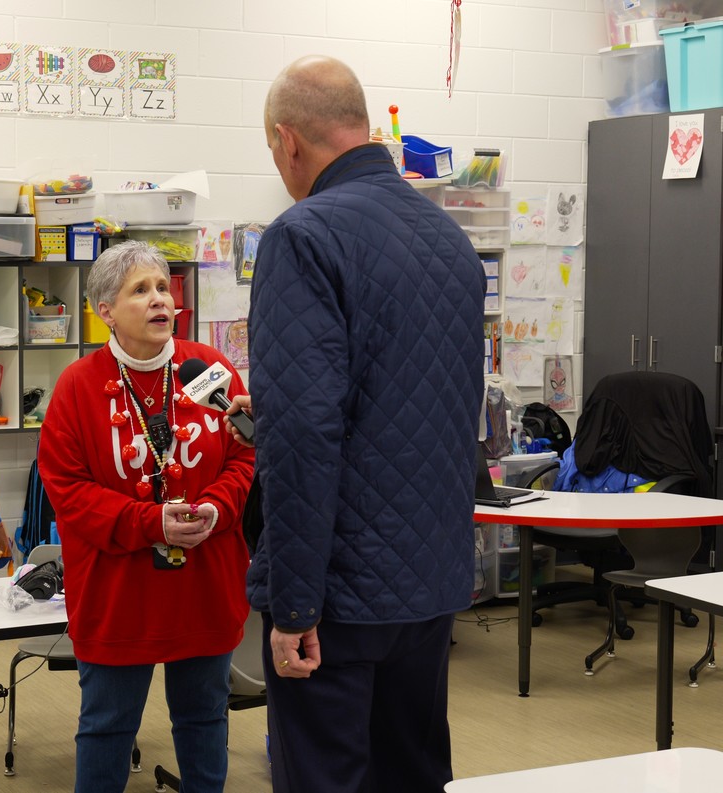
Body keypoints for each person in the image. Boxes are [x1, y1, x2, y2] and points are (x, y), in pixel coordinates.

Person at [237, 55, 486, 793]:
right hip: (432, 581)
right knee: (411, 774)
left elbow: (306, 435)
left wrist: (295, 604)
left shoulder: (302, 236)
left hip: (339, 592)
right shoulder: (450, 240)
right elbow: (422, 401)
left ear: (288, 141)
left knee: (325, 778)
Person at [37, 240, 255, 793]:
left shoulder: (210, 368)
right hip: (118, 591)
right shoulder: (77, 387)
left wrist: (216, 506)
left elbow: (244, 454)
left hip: (204, 583)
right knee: (108, 727)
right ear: (105, 310)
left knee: (205, 718)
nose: (160, 300)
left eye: (164, 287)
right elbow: (68, 491)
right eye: (141, 290)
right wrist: (150, 523)